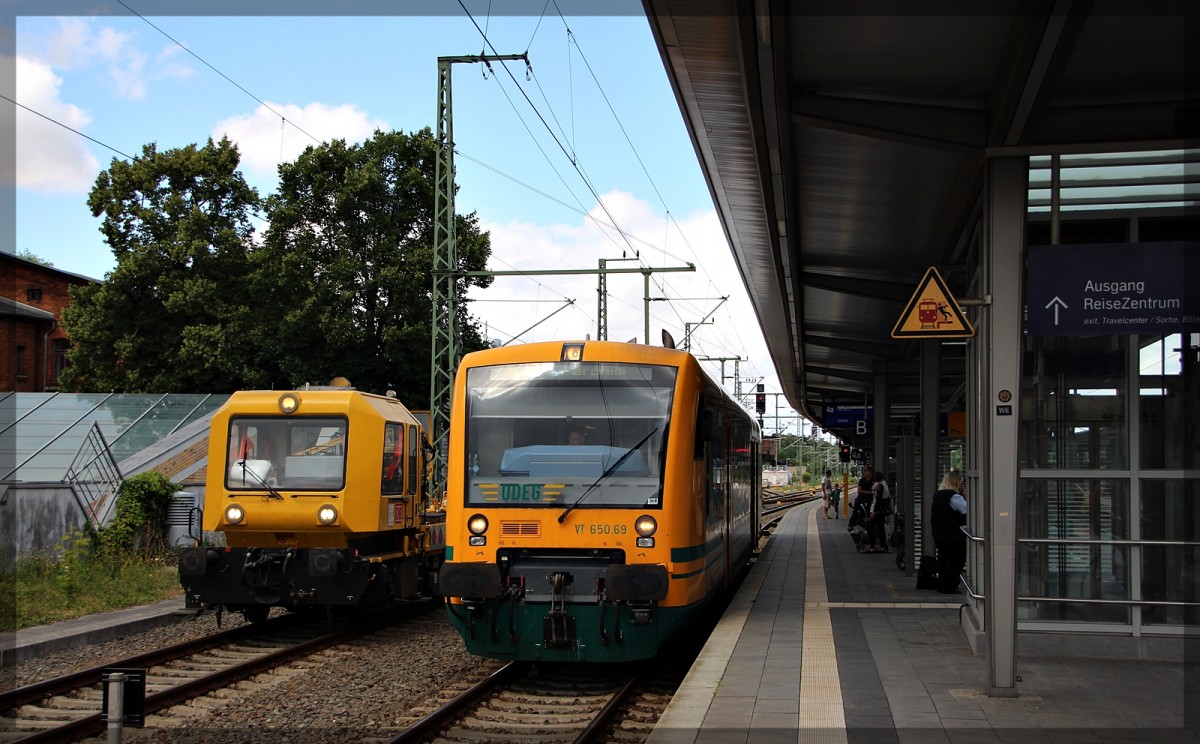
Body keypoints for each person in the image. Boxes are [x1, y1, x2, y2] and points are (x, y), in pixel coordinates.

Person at [930, 470, 968, 593]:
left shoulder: (937, 495)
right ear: (956, 483)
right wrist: (965, 495)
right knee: (956, 561)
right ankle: (950, 585)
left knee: (943, 559)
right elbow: (967, 510)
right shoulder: (954, 496)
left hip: (939, 534)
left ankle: (942, 584)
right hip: (954, 535)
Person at [866, 470, 891, 553]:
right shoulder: (884, 484)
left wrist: (874, 512)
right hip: (881, 511)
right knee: (880, 528)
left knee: (870, 527)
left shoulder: (880, 486)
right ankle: (882, 546)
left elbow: (878, 500)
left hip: (877, 511)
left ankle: (872, 547)